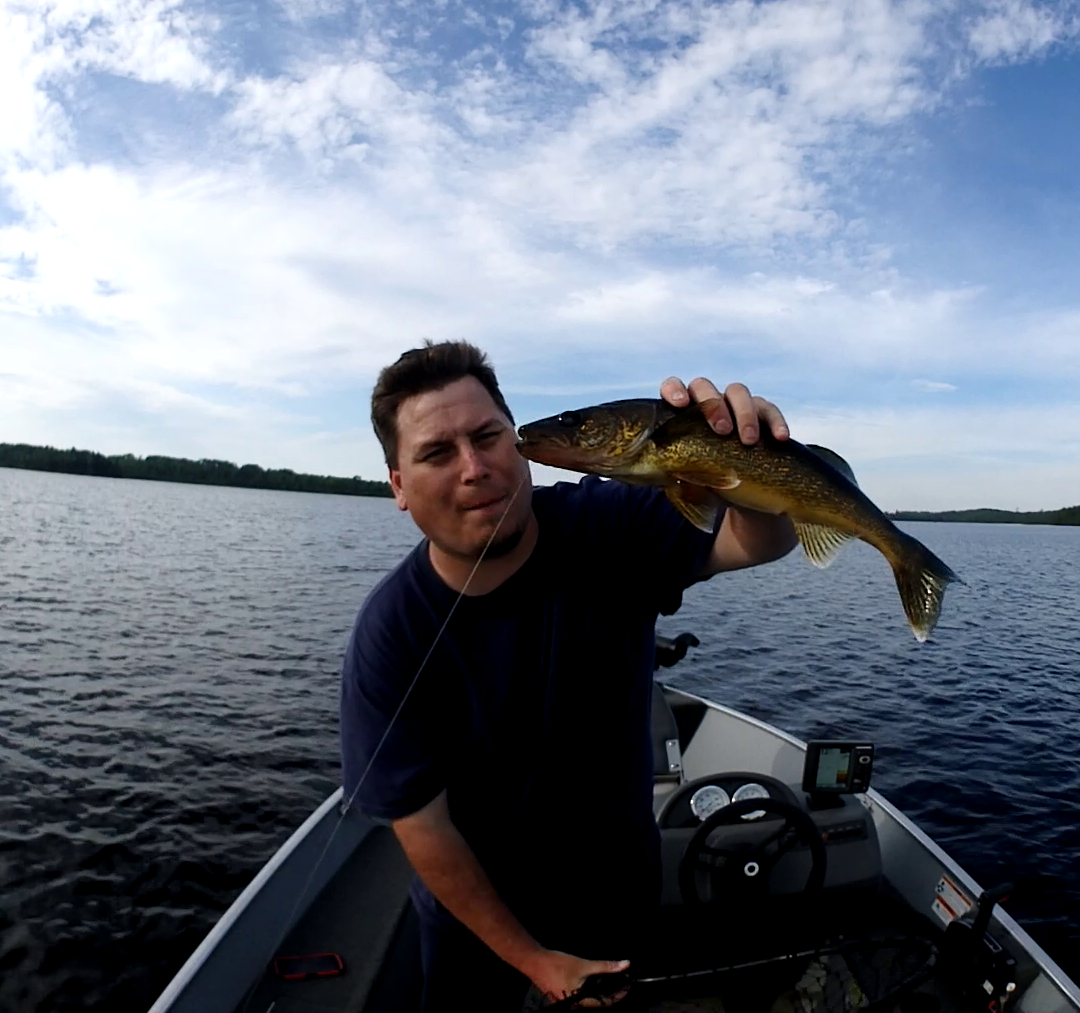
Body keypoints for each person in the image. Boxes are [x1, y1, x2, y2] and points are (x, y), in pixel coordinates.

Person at [339, 341, 798, 1010]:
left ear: (517, 441)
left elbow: (762, 541)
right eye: (438, 453)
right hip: (476, 924)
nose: (474, 468)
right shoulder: (390, 633)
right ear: (399, 487)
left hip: (618, 899)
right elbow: (425, 831)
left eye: (488, 436)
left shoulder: (608, 522)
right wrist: (534, 961)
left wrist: (745, 455)